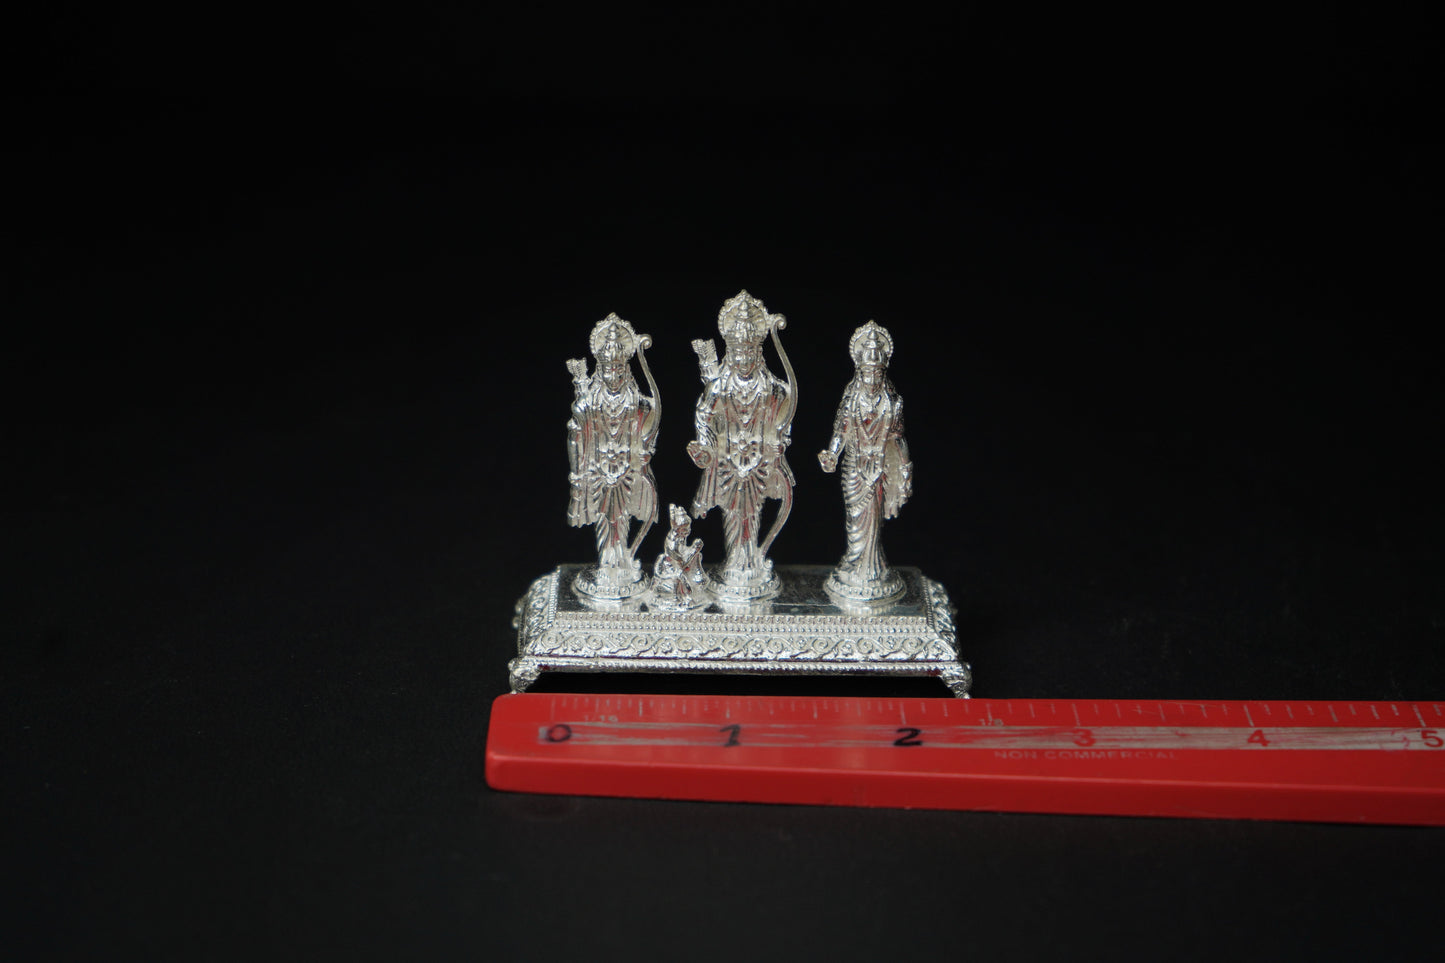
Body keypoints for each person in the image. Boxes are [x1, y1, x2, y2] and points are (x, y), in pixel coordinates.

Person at [687, 291, 796, 599]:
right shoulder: (720, 384)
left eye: (750, 352)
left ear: (758, 352)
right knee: (734, 513)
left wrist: (779, 441)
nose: (744, 359)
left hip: (759, 462)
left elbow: (785, 413)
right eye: (738, 352)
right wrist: (704, 446)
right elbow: (703, 415)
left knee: (754, 511)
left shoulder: (770, 387)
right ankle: (736, 562)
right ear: (729, 351)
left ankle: (752, 560)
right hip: (728, 461)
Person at [566, 314, 659, 599]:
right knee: (605, 517)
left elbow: (651, 419)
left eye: (619, 369)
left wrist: (645, 450)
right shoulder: (591, 403)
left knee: (623, 515)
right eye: (608, 369)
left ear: (626, 370)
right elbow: (575, 433)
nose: (614, 376)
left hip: (626, 470)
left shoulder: (635, 402)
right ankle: (608, 562)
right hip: (598, 470)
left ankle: (622, 558)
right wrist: (577, 472)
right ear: (600, 369)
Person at [818, 321, 912, 602]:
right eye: (868, 372)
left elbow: (898, 439)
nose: (872, 378)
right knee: (854, 519)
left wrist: (905, 471)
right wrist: (832, 453)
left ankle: (872, 569)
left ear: (883, 372)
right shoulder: (851, 400)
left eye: (877, 373)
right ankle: (854, 561)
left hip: (879, 468)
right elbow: (840, 431)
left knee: (874, 521)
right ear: (859, 371)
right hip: (854, 467)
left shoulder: (892, 403)